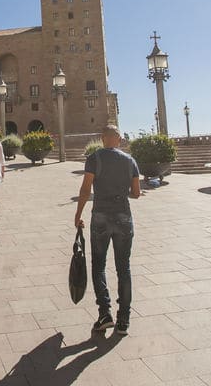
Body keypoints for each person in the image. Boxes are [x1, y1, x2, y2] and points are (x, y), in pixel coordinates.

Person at [73, 125, 140, 336]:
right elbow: (136, 193)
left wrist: (78, 214)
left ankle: (105, 314)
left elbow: (85, 189)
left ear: (103, 139)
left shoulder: (94, 158)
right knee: (124, 268)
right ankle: (124, 320)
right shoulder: (130, 161)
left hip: (100, 215)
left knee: (99, 265)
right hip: (123, 216)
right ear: (119, 139)